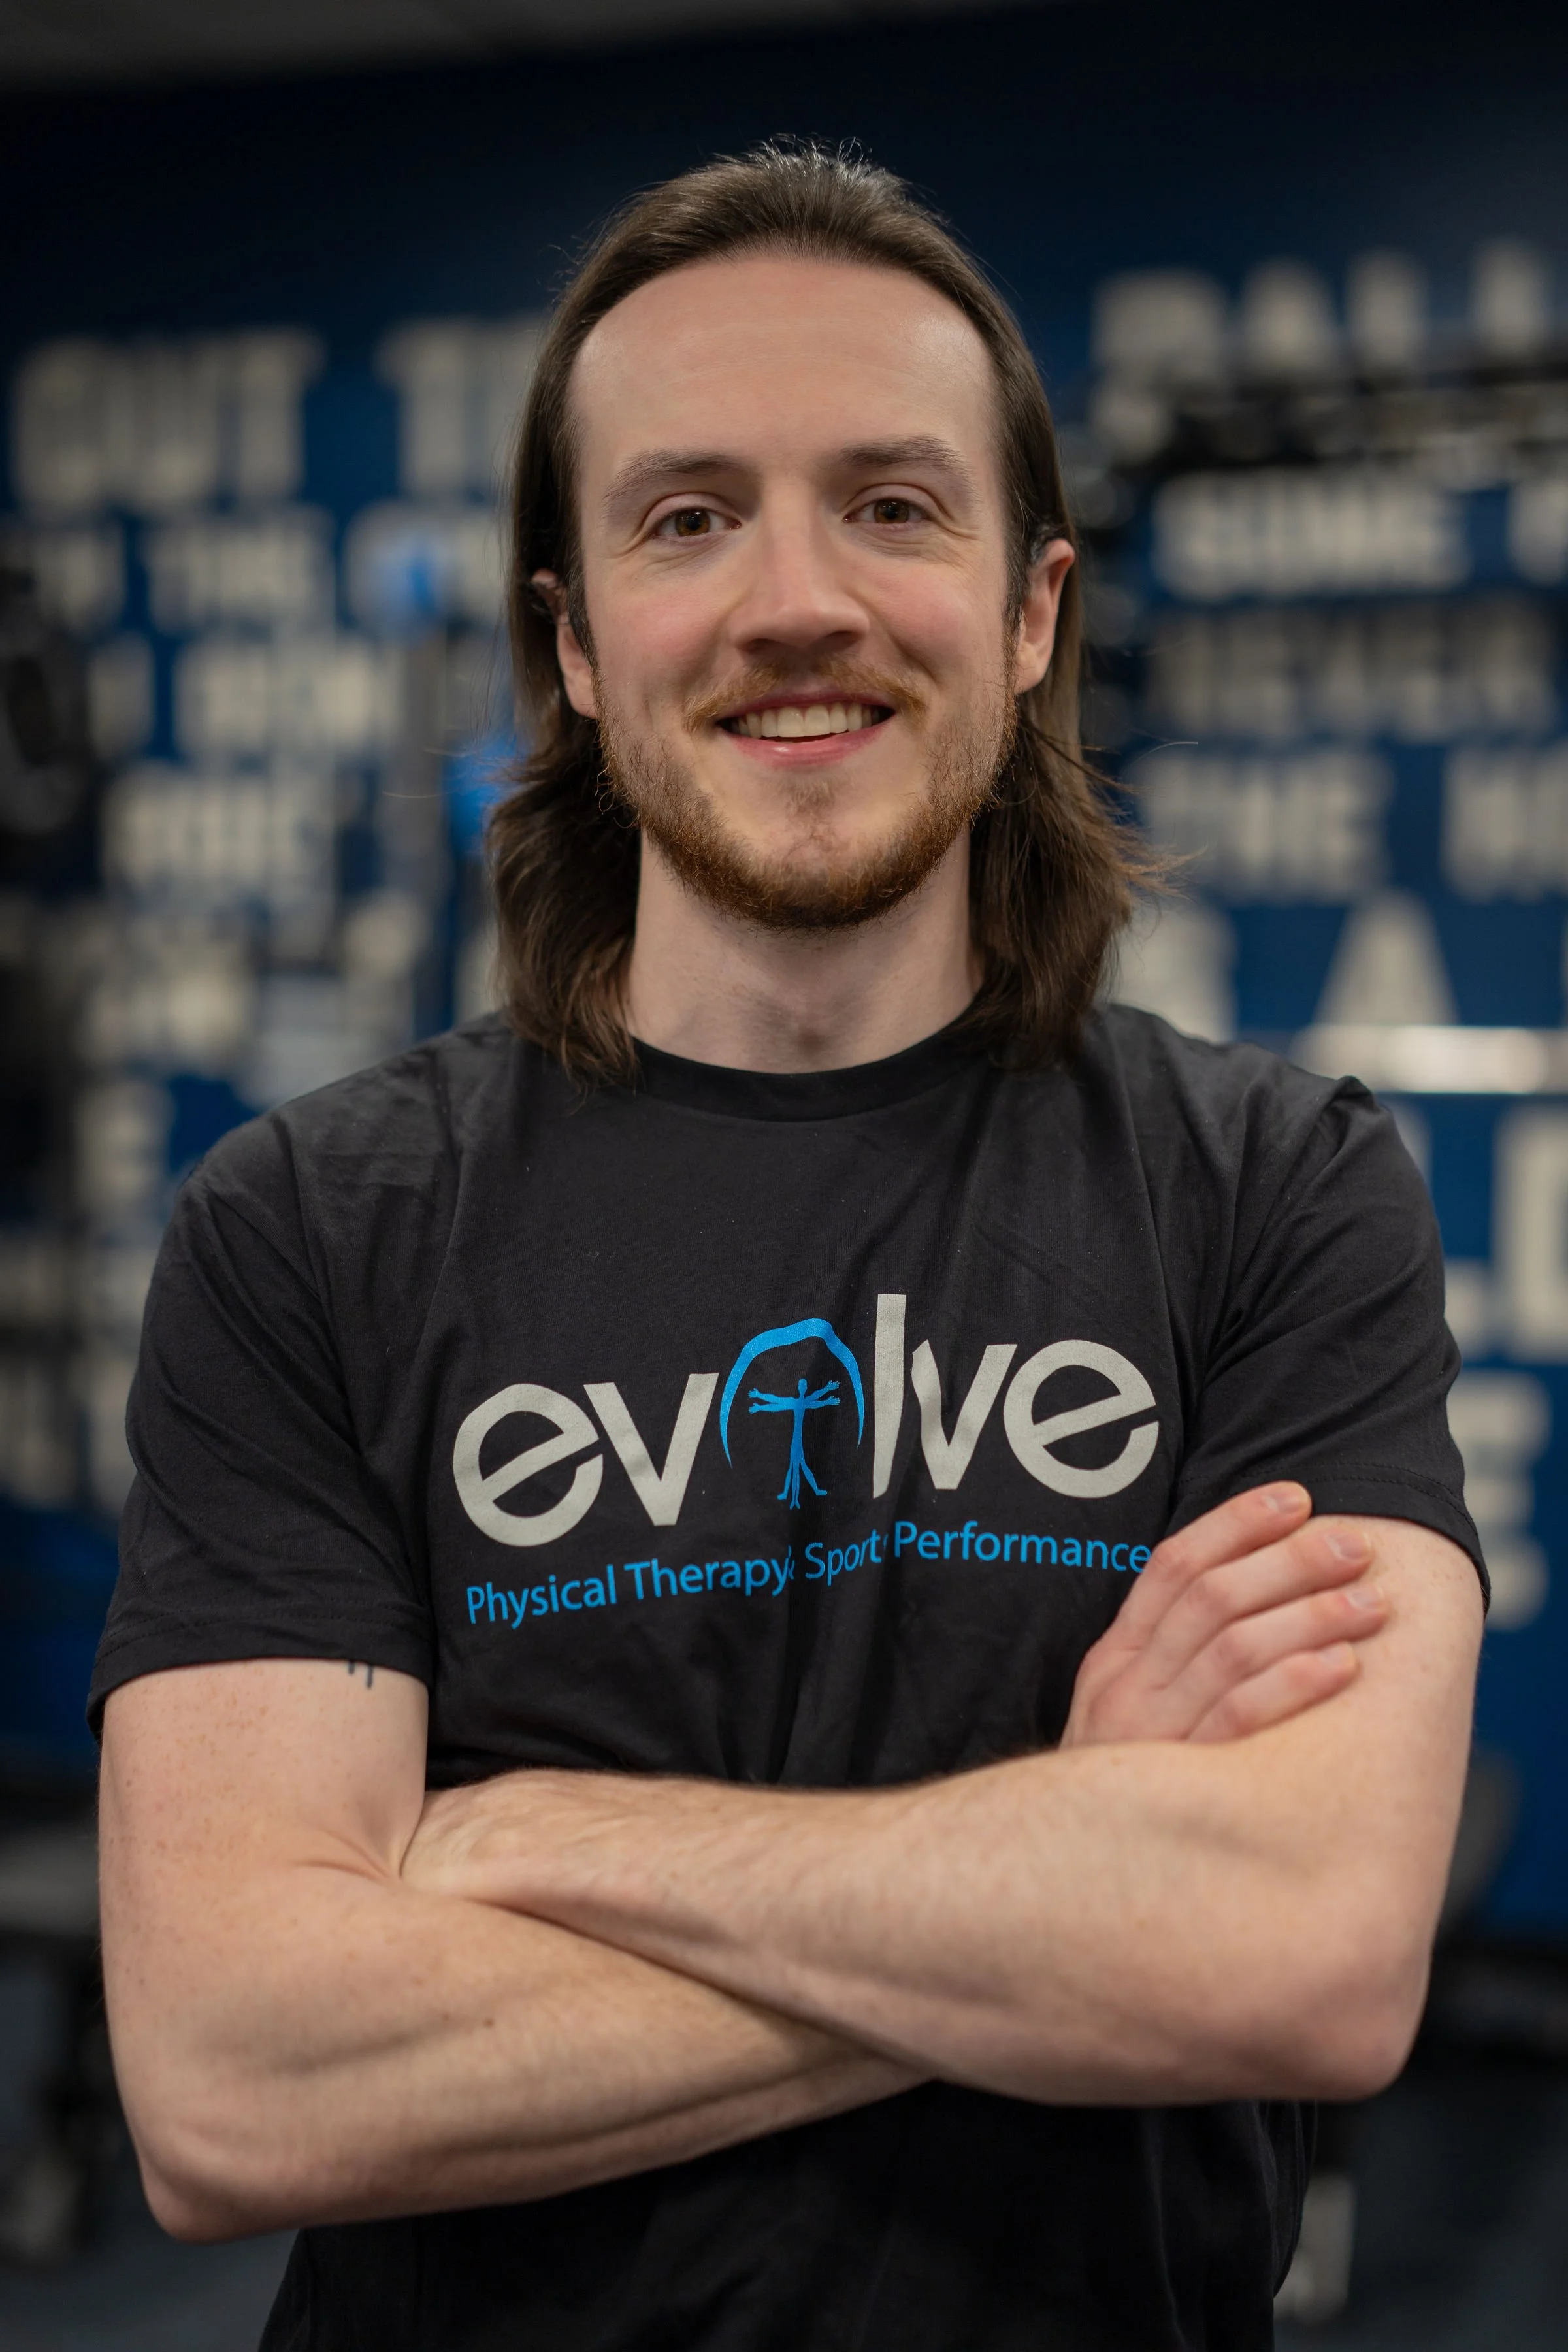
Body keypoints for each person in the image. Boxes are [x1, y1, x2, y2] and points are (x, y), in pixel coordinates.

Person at [93, 145, 1484, 2351]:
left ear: (1030, 616)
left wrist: (542, 1839)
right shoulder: (306, 1232)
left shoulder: (1278, 1191)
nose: (795, 600)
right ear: (571, 641)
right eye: (685, 516)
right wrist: (1075, 1867)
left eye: (892, 505)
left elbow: (1302, 1955)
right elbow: (235, 2081)